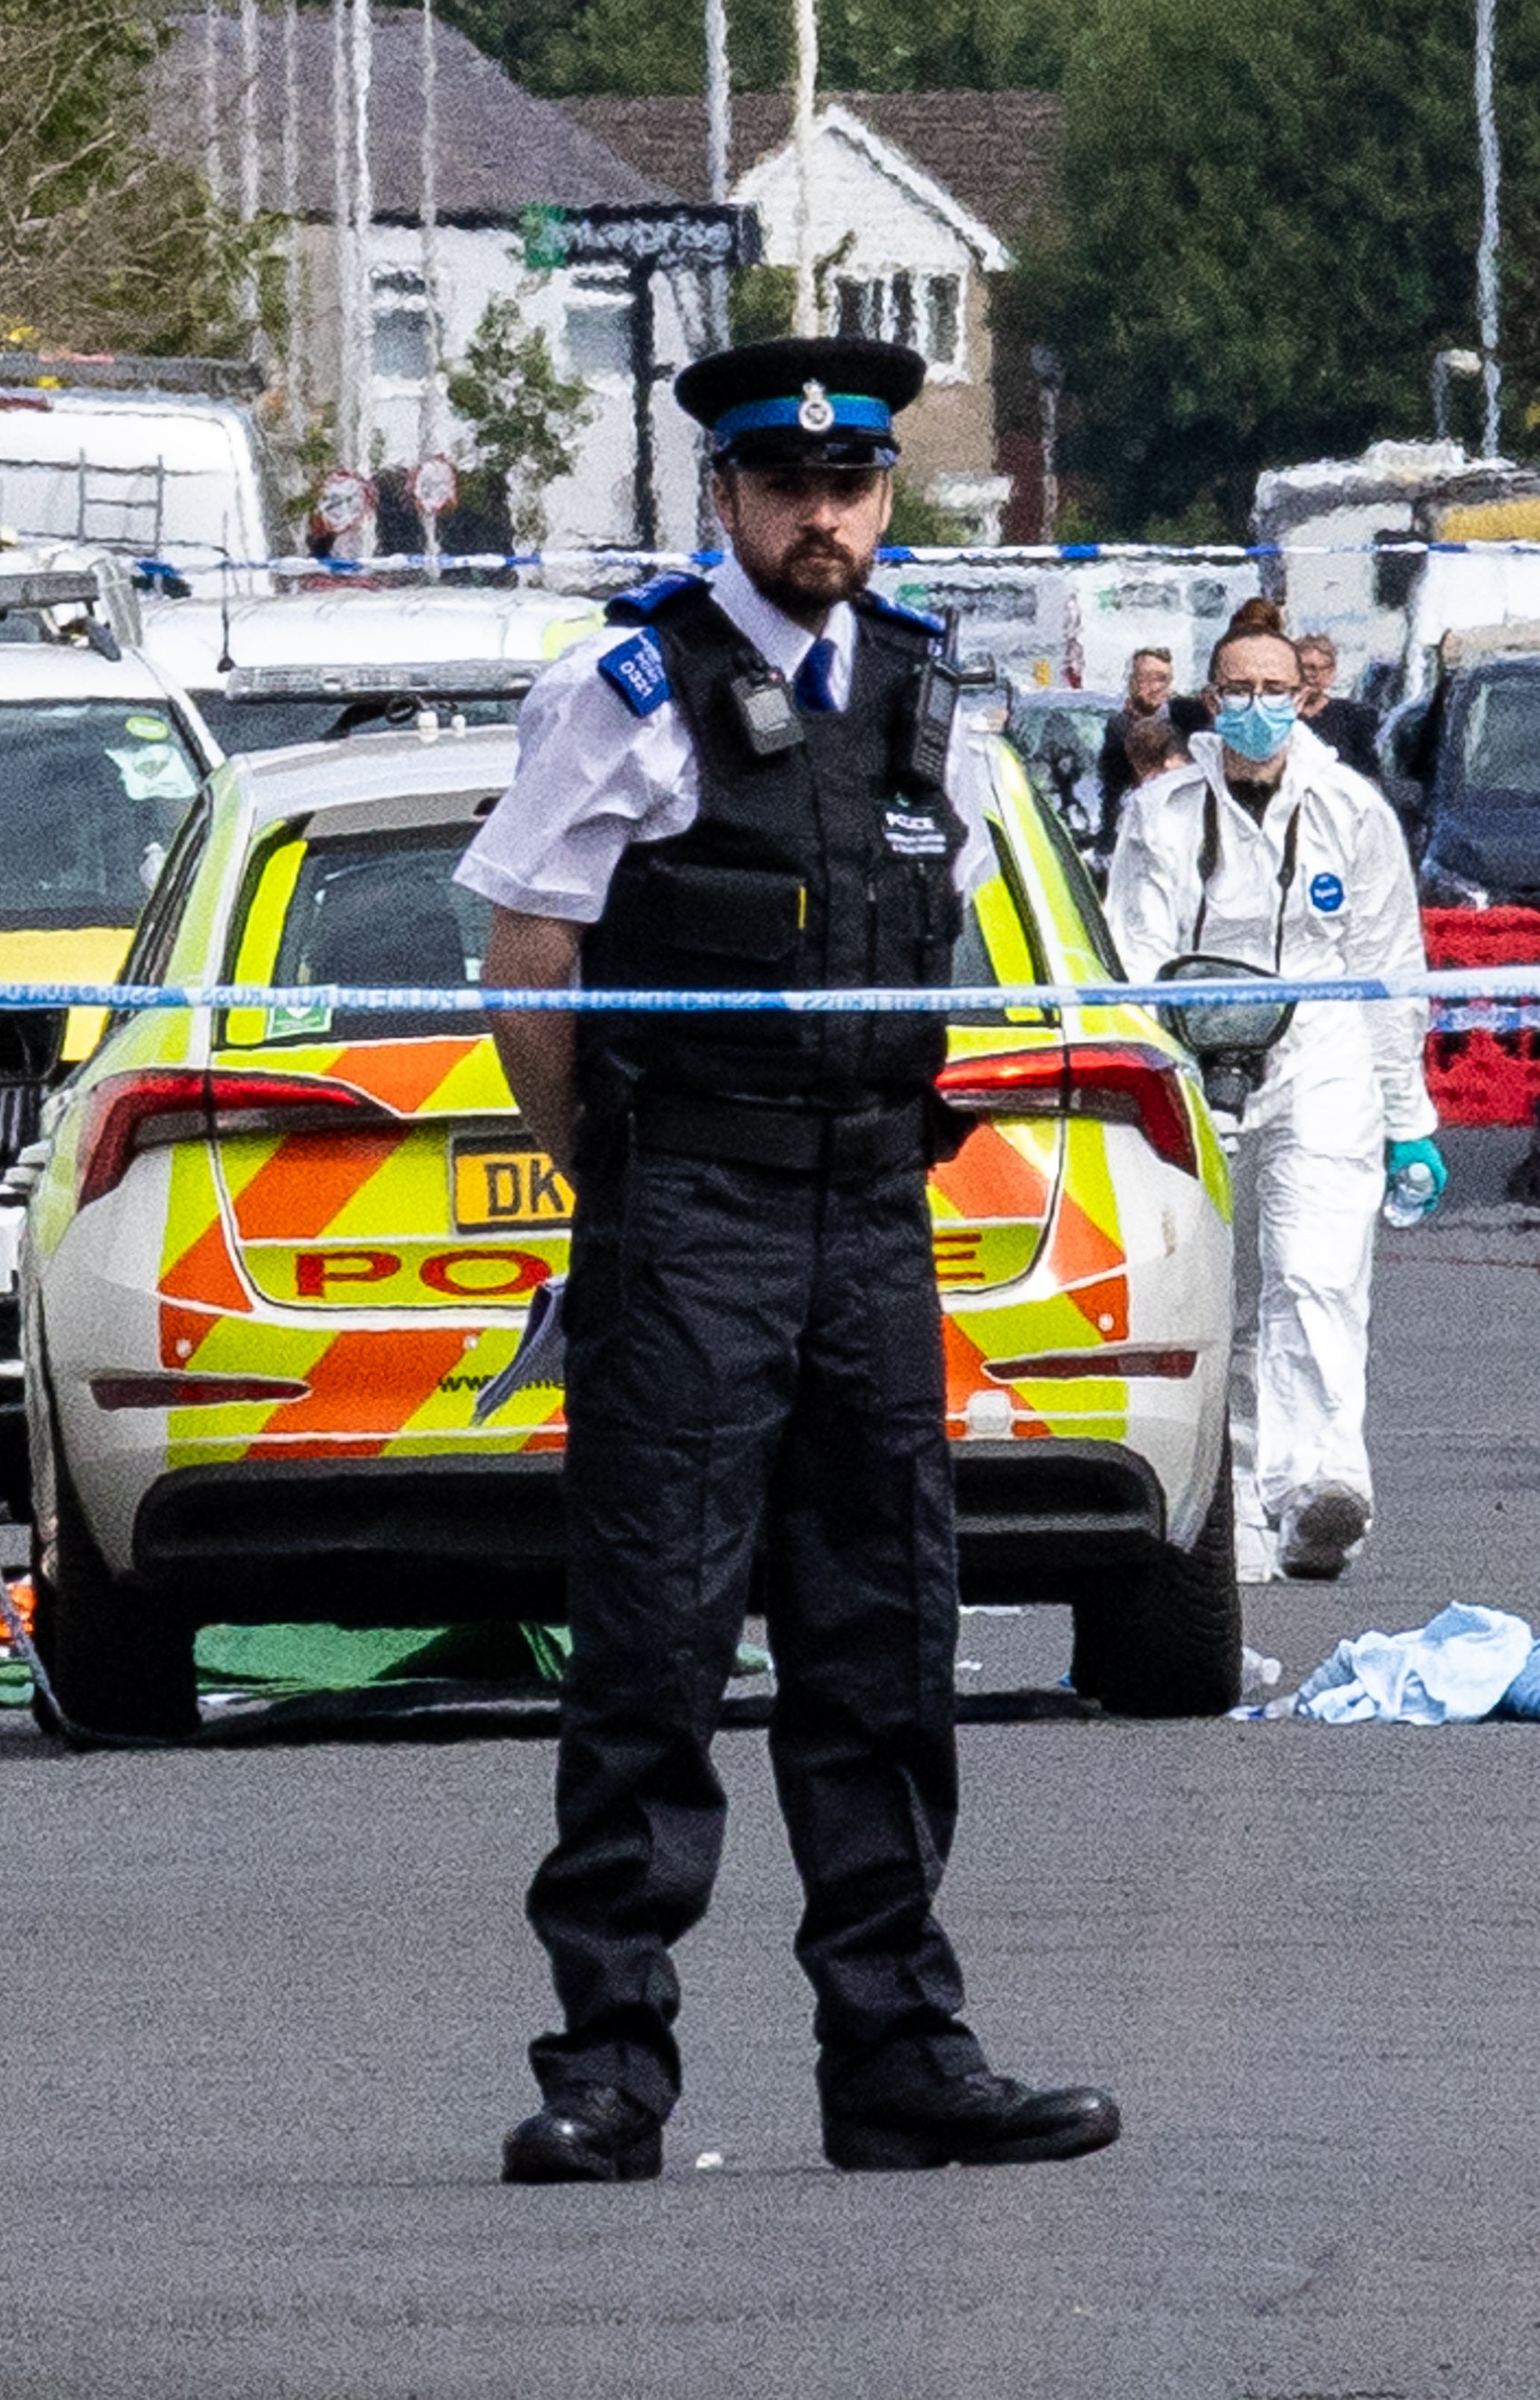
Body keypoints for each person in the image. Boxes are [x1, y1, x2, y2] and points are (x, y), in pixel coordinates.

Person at [461, 336, 1120, 2182]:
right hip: (692, 1214)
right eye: (782, 486)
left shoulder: (929, 691)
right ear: (728, 498)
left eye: (848, 486)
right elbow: (531, 962)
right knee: (656, 1647)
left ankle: (898, 2051)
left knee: (883, 1638)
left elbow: (954, 943)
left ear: (885, 498)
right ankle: (606, 2066)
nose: (817, 513)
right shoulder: (627, 687)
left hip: (869, 1221)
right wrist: (604, 1166)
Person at [1106, 597, 1444, 1584]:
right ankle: (1237, 1503)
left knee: (1314, 1273)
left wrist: (1405, 1118)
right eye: (1238, 691)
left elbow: (1391, 966)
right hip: (1195, 1049)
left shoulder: (1351, 812)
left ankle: (1319, 1484)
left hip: (1322, 1052)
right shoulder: (1161, 812)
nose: (1256, 709)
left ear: (1308, 696)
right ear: (1210, 700)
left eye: (1274, 691)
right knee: (1220, 1288)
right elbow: (1133, 955)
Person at [1097, 644, 1188, 827]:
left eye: (1163, 679)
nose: (1156, 687)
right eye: (1147, 679)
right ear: (1131, 682)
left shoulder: (1180, 726)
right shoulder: (1119, 729)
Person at [1294, 631, 1386, 783]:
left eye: (1319, 668)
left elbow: (1371, 773)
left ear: (1331, 673)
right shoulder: (1280, 716)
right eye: (1304, 668)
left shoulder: (1355, 716)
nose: (1311, 675)